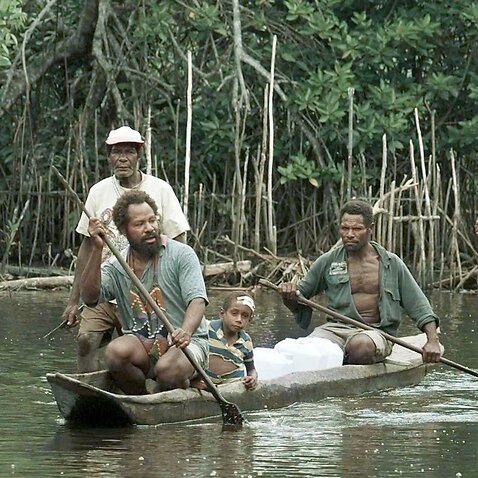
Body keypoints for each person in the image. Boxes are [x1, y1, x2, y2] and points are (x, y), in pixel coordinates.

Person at [62, 126, 190, 372]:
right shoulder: (98, 192)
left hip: (147, 289)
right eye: (116, 152)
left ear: (138, 156)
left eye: (129, 152)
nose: (122, 158)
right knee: (86, 340)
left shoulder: (160, 190)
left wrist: (177, 290)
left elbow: (179, 241)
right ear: (109, 157)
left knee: (146, 349)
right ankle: (89, 393)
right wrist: (73, 300)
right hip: (104, 284)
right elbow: (87, 249)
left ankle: (137, 392)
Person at [279, 199, 442, 365]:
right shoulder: (328, 261)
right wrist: (289, 295)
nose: (350, 234)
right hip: (334, 330)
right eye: (345, 228)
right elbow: (300, 299)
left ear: (369, 229)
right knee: (307, 350)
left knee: (360, 347)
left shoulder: (391, 263)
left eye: (357, 229)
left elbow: (419, 306)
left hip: (375, 334)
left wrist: (432, 341)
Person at [80, 189, 208, 394]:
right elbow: (89, 297)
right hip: (143, 346)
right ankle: (141, 398)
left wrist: (185, 331)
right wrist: (96, 249)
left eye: (152, 220)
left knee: (167, 370)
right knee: (114, 352)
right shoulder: (117, 265)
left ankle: (180, 385)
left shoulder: (182, 254)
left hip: (187, 345)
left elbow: (197, 300)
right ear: (123, 231)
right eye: (139, 224)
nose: (149, 228)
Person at [193, 292, 258, 390]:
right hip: (203, 386)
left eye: (245, 316)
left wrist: (252, 378)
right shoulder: (206, 330)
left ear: (250, 319)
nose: (239, 319)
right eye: (234, 313)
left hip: (232, 388)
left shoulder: (246, 341)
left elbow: (251, 369)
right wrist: (193, 381)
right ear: (222, 314)